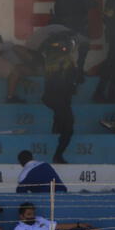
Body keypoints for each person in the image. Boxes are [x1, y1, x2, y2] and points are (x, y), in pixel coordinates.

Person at [35, 25, 89, 164]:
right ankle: (58, 155)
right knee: (68, 127)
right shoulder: (66, 61)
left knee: (61, 116)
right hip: (60, 98)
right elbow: (76, 79)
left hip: (53, 97)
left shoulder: (50, 59)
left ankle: (56, 129)